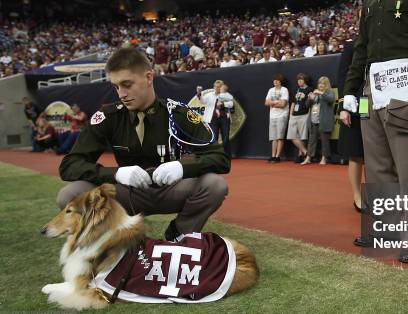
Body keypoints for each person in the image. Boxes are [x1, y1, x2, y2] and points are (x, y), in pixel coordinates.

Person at [56, 47, 230, 242]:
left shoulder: (178, 113)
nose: (121, 93)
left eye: (127, 84)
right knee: (70, 194)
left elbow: (220, 158)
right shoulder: (108, 117)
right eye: (116, 86)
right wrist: (116, 174)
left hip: (170, 189)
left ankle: (180, 234)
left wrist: (183, 167)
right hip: (126, 193)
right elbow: (69, 165)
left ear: (148, 78)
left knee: (215, 185)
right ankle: (111, 242)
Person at [342, 0, 408, 263]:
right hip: (371, 87)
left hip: (407, 85)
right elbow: (361, 49)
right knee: (376, 165)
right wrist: (350, 89)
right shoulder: (369, 3)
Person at [338, 40, 365, 212]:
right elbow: (343, 77)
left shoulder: (384, 38)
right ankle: (358, 196)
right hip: (356, 102)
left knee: (378, 155)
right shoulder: (351, 46)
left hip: (378, 102)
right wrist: (343, 107)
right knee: (356, 153)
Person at [302, 76, 335, 166]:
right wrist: (309, 98)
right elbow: (307, 105)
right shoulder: (315, 93)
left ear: (327, 85)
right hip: (313, 120)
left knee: (325, 141)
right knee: (311, 140)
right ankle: (308, 157)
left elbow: (331, 99)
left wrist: (320, 93)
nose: (321, 85)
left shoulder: (329, 92)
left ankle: (324, 158)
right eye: (320, 83)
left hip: (324, 121)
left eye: (323, 84)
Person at [198, 80, 234, 157]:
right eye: (215, 86)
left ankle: (226, 154)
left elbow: (231, 104)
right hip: (213, 119)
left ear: (221, 87)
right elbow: (202, 101)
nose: (217, 88)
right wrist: (199, 94)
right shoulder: (210, 95)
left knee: (225, 137)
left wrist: (223, 104)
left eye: (218, 87)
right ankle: (215, 154)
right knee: (214, 137)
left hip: (224, 118)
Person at [287, 73, 312, 163]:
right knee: (292, 136)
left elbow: (310, 104)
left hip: (304, 114)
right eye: (298, 80)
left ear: (305, 80)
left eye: (301, 80)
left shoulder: (309, 89)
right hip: (294, 115)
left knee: (302, 136)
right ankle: (306, 152)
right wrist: (290, 115)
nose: (299, 81)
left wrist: (308, 116)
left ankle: (300, 155)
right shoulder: (296, 89)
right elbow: (293, 103)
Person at [264, 74, 289, 163]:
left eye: (277, 80)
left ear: (280, 81)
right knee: (273, 138)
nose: (275, 81)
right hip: (272, 116)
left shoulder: (284, 90)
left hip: (282, 116)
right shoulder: (271, 90)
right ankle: (273, 156)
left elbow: (283, 104)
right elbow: (266, 103)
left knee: (280, 137)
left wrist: (272, 103)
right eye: (274, 80)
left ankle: (278, 156)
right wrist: (276, 102)